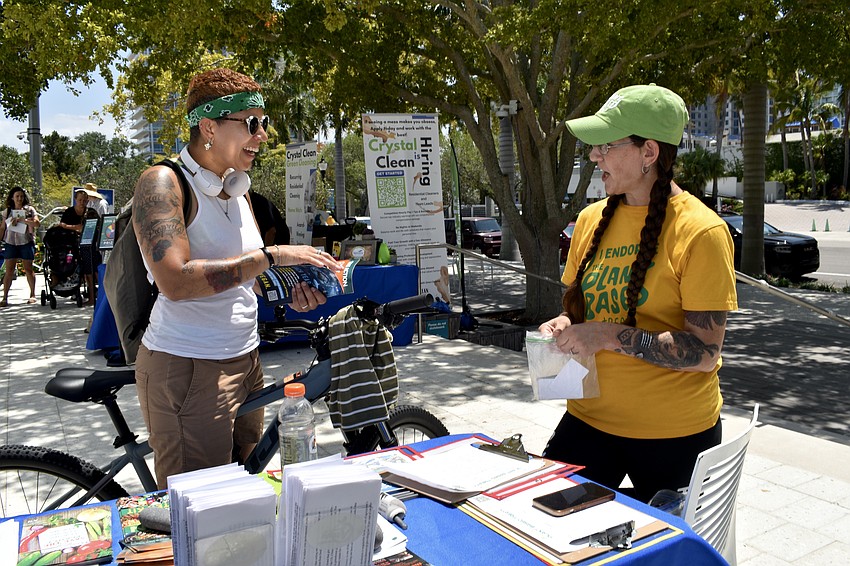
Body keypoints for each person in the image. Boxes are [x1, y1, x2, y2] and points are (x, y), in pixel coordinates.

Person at [132, 68, 341, 488]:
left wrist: (289, 289)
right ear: (209, 126)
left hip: (246, 358)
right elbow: (175, 281)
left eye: (264, 122)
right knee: (204, 505)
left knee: (244, 488)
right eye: (251, 123)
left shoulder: (238, 189)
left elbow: (245, 274)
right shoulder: (163, 182)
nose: (262, 135)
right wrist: (271, 256)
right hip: (189, 366)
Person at [539, 84, 738, 503]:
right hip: (589, 422)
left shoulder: (702, 231)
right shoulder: (590, 220)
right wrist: (564, 324)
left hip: (675, 436)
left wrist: (608, 335)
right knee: (541, 519)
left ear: (649, 152)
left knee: (663, 541)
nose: (594, 156)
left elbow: (705, 353)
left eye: (606, 145)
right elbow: (578, 310)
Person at [57, 189, 100, 305]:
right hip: (71, 245)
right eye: (80, 200)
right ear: (75, 200)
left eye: (84, 200)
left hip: (88, 245)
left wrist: (68, 226)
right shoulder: (69, 212)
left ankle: (93, 298)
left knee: (91, 270)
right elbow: (61, 226)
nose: (82, 203)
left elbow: (89, 227)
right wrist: (74, 227)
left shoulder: (91, 212)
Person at [1, 186, 40, 306]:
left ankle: (32, 294)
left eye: (21, 196)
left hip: (25, 241)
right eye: (17, 196)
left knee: (28, 269)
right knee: (9, 270)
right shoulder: (7, 211)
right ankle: (5, 297)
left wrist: (24, 220)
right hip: (10, 242)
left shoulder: (30, 210)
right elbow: (2, 227)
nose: (19, 199)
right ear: (12, 198)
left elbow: (37, 223)